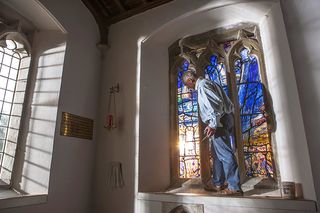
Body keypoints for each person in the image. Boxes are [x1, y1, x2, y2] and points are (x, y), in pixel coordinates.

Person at [182, 70, 242, 196]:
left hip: (219, 121)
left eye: (188, 85)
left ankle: (234, 186)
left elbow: (214, 105)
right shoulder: (209, 83)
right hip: (224, 118)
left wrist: (213, 124)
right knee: (216, 154)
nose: (189, 88)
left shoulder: (203, 85)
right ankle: (218, 183)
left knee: (225, 154)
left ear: (191, 80)